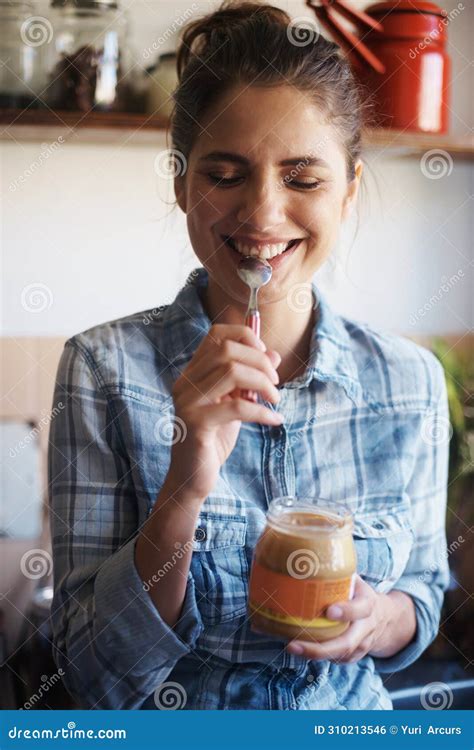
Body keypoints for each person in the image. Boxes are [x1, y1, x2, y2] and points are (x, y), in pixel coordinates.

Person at [48, 1, 450, 710]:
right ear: (182, 184)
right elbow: (89, 675)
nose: (262, 214)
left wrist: (380, 622)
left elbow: (423, 589)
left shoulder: (410, 382)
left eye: (303, 178)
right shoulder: (101, 370)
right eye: (225, 175)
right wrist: (185, 483)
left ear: (349, 191)